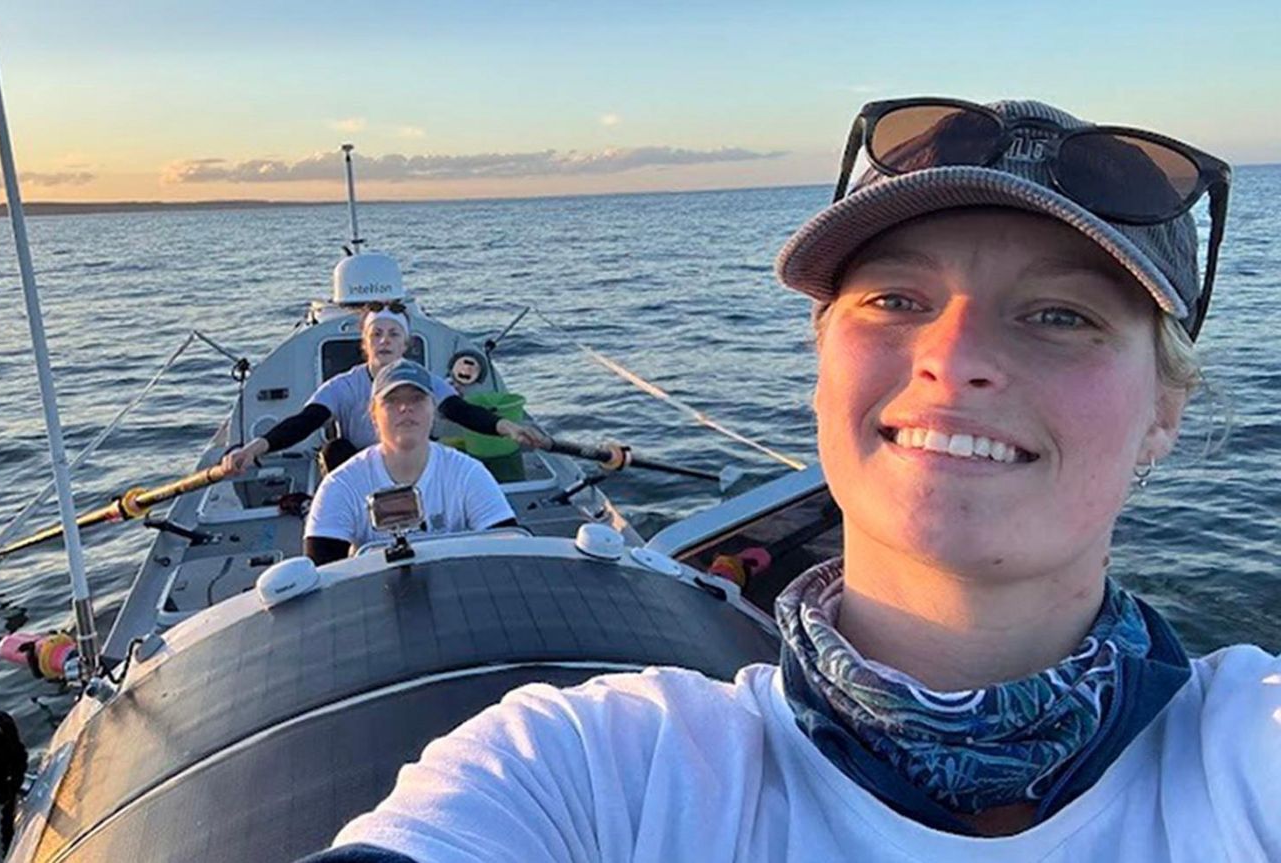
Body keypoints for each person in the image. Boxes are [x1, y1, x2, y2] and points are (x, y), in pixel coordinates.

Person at [303, 98, 1278, 861]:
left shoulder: (1254, 759)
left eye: (1061, 314)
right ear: (822, 366)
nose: (954, 356)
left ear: (1165, 410)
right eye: (898, 297)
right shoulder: (596, 772)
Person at [221, 304, 548, 475]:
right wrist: (254, 449)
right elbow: (305, 421)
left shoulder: (425, 380)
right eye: (376, 334)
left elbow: (459, 411)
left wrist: (508, 428)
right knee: (333, 451)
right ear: (364, 343)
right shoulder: (343, 386)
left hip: (414, 460)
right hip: (361, 469)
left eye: (393, 334)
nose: (384, 341)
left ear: (406, 342)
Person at [303, 359, 519, 565]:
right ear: (373, 415)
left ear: (433, 410)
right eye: (392, 400)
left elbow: (512, 555)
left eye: (416, 398)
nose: (405, 408)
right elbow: (322, 574)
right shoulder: (341, 484)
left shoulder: (468, 473)